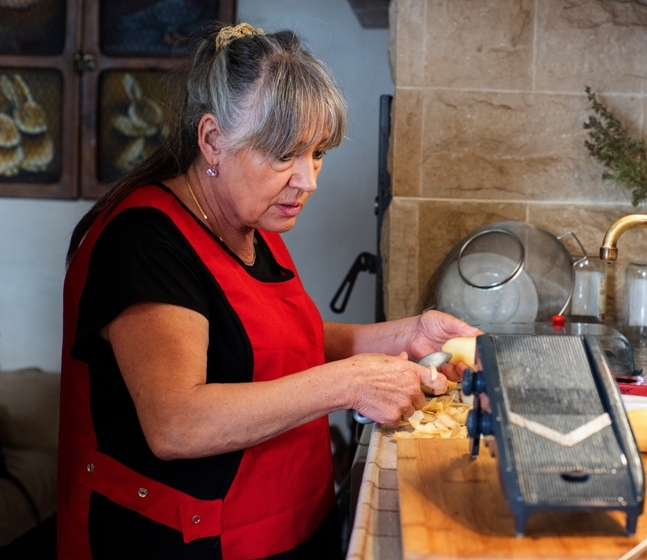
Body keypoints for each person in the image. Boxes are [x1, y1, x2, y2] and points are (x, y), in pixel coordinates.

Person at [57, 23, 478, 559]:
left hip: (292, 524)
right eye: (284, 155)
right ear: (212, 139)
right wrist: (349, 384)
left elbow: (274, 341)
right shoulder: (144, 242)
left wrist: (411, 335)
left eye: (318, 153)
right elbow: (176, 423)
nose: (309, 181)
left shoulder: (250, 219)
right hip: (185, 541)